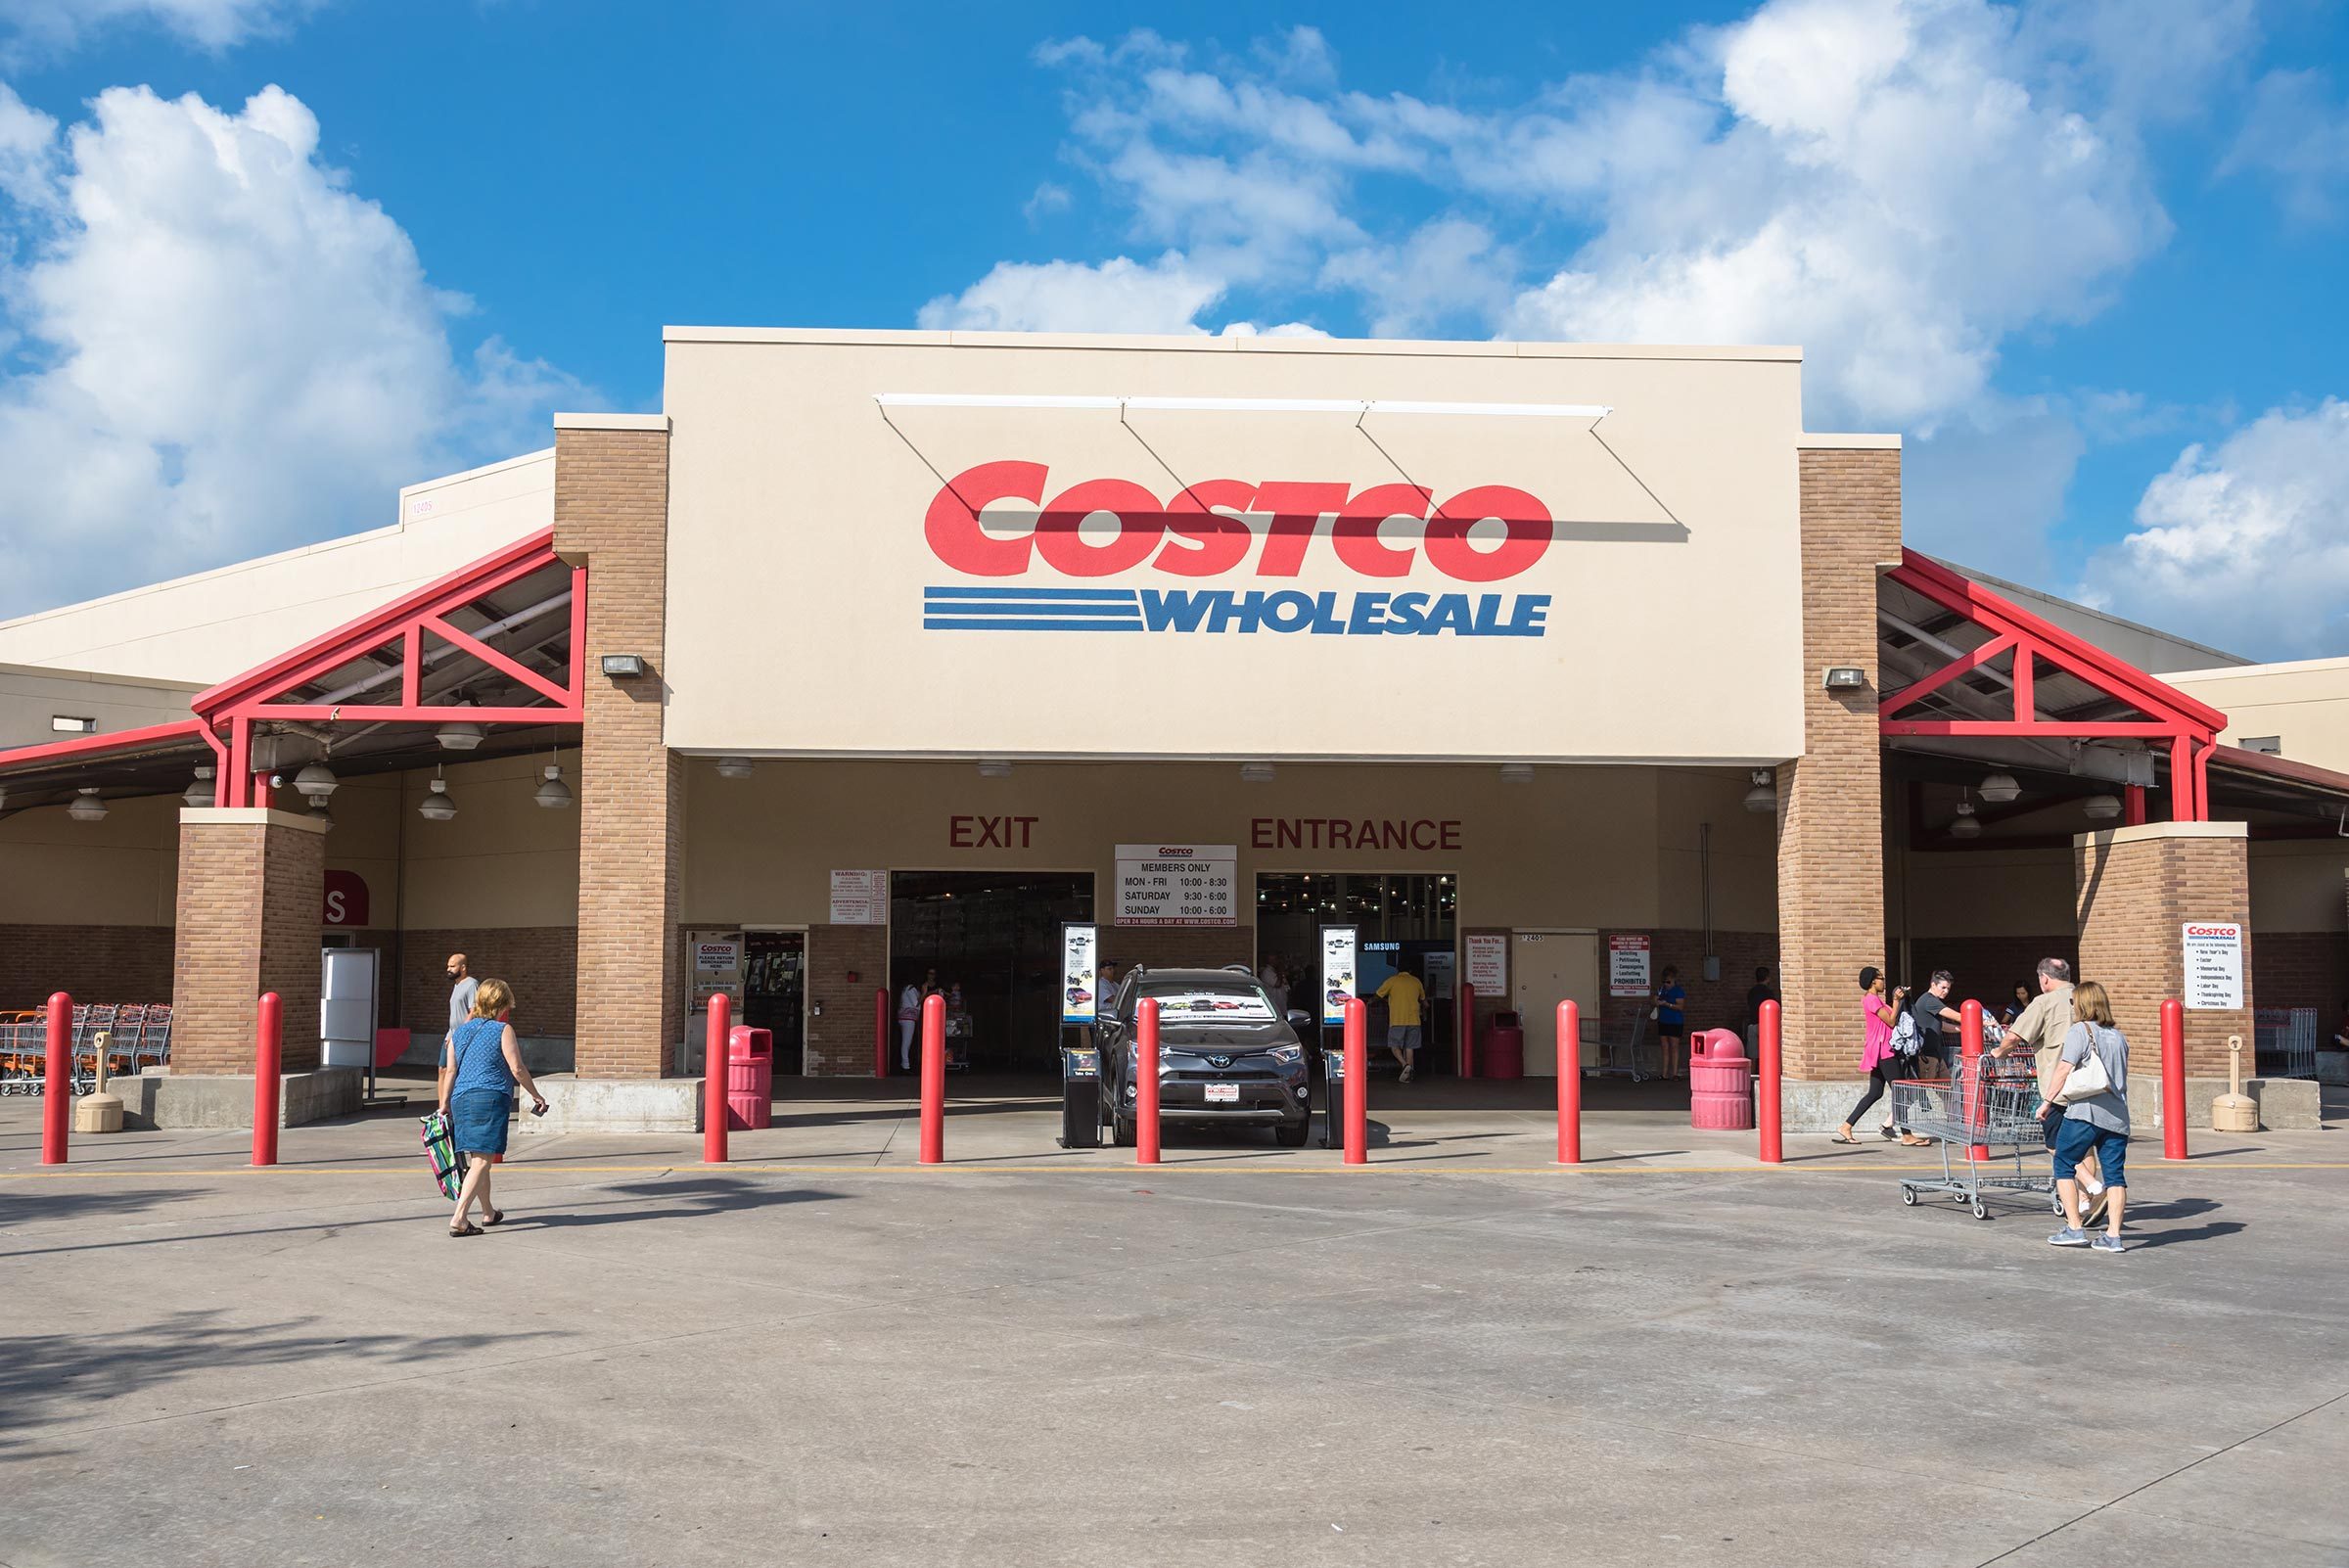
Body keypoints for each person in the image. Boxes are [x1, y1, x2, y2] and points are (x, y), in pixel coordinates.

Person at [1996, 957, 2106, 1223]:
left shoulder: (2043, 1002)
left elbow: (2015, 1036)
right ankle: (2085, 1203)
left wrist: (1999, 1052)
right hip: (2090, 1085)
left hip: (2060, 1087)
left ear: (2044, 979)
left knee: (2056, 1146)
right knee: (2086, 1146)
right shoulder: (2085, 997)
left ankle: (2093, 1188)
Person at [436, 978, 548, 1237]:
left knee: (478, 1158)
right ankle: (459, 1217)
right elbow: (517, 1068)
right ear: (503, 1003)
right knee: (483, 1160)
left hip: (461, 1100)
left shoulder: (458, 1032)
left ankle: (488, 1212)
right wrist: (535, 1095)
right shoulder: (502, 1029)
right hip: (490, 1097)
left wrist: (444, 1104)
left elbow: (450, 1070)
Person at [2047, 980, 2130, 1253]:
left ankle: (2074, 1228)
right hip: (2117, 1116)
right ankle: (2113, 1236)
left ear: (2081, 1004)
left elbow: (2063, 1069)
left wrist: (2047, 1102)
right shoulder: (2118, 1036)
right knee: (2115, 1177)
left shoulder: (2079, 1031)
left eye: (2073, 1003)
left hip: (2085, 1112)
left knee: (2063, 1163)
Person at [1838, 967, 1926, 1145]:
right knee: (1901, 1092)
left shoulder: (1874, 1000)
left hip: (1879, 1050)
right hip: (1884, 1051)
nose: (1883, 981)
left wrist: (1900, 999)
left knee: (1875, 1092)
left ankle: (1846, 1126)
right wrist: (1895, 1000)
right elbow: (1891, 1021)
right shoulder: (1872, 1000)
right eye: (1881, 978)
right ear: (1873, 981)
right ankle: (1907, 1135)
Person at [1375, 961, 1428, 1083]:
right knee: (1410, 1048)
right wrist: (1424, 1010)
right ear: (1410, 971)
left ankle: (1405, 1065)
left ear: (1397, 970)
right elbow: (1424, 1002)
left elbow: (1378, 995)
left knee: (1394, 1046)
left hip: (1397, 1020)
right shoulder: (1416, 981)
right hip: (1414, 1020)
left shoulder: (1392, 981)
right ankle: (1408, 1075)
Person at [1909, 971, 1962, 1077]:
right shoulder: (1929, 1000)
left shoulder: (1932, 1000)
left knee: (1947, 1090)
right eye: (1943, 987)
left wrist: (1962, 1028)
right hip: (1926, 1055)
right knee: (1922, 1090)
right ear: (1933, 985)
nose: (1946, 991)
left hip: (1934, 1053)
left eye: (1948, 988)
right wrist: (1982, 1022)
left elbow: (1941, 1026)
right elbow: (1958, 1016)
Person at [1654, 966, 1688, 1078]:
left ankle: (1674, 1073)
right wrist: (1656, 1001)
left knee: (1674, 1046)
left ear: (1673, 980)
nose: (1666, 984)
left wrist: (1667, 1004)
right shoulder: (1661, 990)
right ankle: (1664, 1073)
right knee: (1664, 1046)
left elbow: (1680, 1006)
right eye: (1664, 982)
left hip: (1675, 1021)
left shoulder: (1678, 991)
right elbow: (1654, 999)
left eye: (1668, 981)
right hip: (1663, 1020)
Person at [444, 952, 478, 1053]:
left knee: (452, 1068)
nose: (448, 969)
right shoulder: (457, 985)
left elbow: (474, 1011)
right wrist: (450, 1034)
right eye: (448, 966)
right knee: (443, 1068)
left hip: (464, 1035)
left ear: (463, 968)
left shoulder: (471, 984)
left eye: (452, 966)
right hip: (452, 1033)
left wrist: (460, 1033)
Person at [1743, 966, 1776, 1044]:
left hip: (1752, 1024)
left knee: (1753, 1055)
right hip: (1765, 1025)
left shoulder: (1751, 991)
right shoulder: (1768, 992)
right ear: (1767, 977)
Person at [897, 976, 922, 1072]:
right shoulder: (911, 989)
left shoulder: (905, 988)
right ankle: (905, 1065)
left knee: (906, 1041)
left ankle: (905, 1064)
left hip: (904, 1017)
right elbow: (916, 1003)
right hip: (908, 1018)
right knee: (907, 1042)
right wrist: (924, 993)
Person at [1260, 953, 1289, 1018]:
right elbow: (1277, 984)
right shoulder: (1267, 972)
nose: (1278, 962)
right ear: (1271, 961)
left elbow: (1286, 986)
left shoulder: (1275, 972)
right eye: (1276, 960)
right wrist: (1280, 972)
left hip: (1282, 1006)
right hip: (1275, 1006)